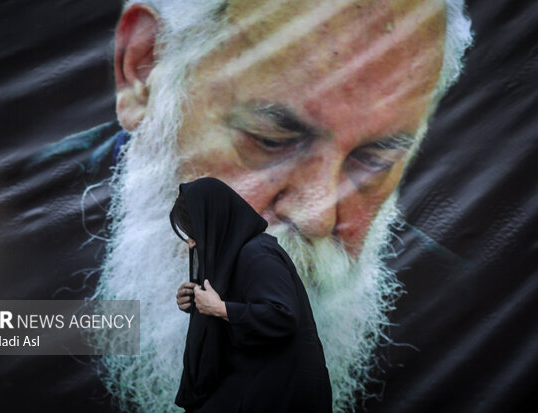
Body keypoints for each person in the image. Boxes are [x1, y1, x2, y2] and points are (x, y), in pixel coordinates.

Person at [92, 1, 473, 411]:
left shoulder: (461, 328)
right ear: (146, 67)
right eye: (270, 140)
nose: (317, 217)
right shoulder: (23, 256)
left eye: (373, 161)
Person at [170, 177, 333, 412]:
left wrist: (220, 308)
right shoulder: (235, 253)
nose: (192, 245)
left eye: (195, 233)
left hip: (280, 392)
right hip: (256, 381)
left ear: (213, 223)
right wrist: (196, 301)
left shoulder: (257, 252)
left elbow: (282, 315)